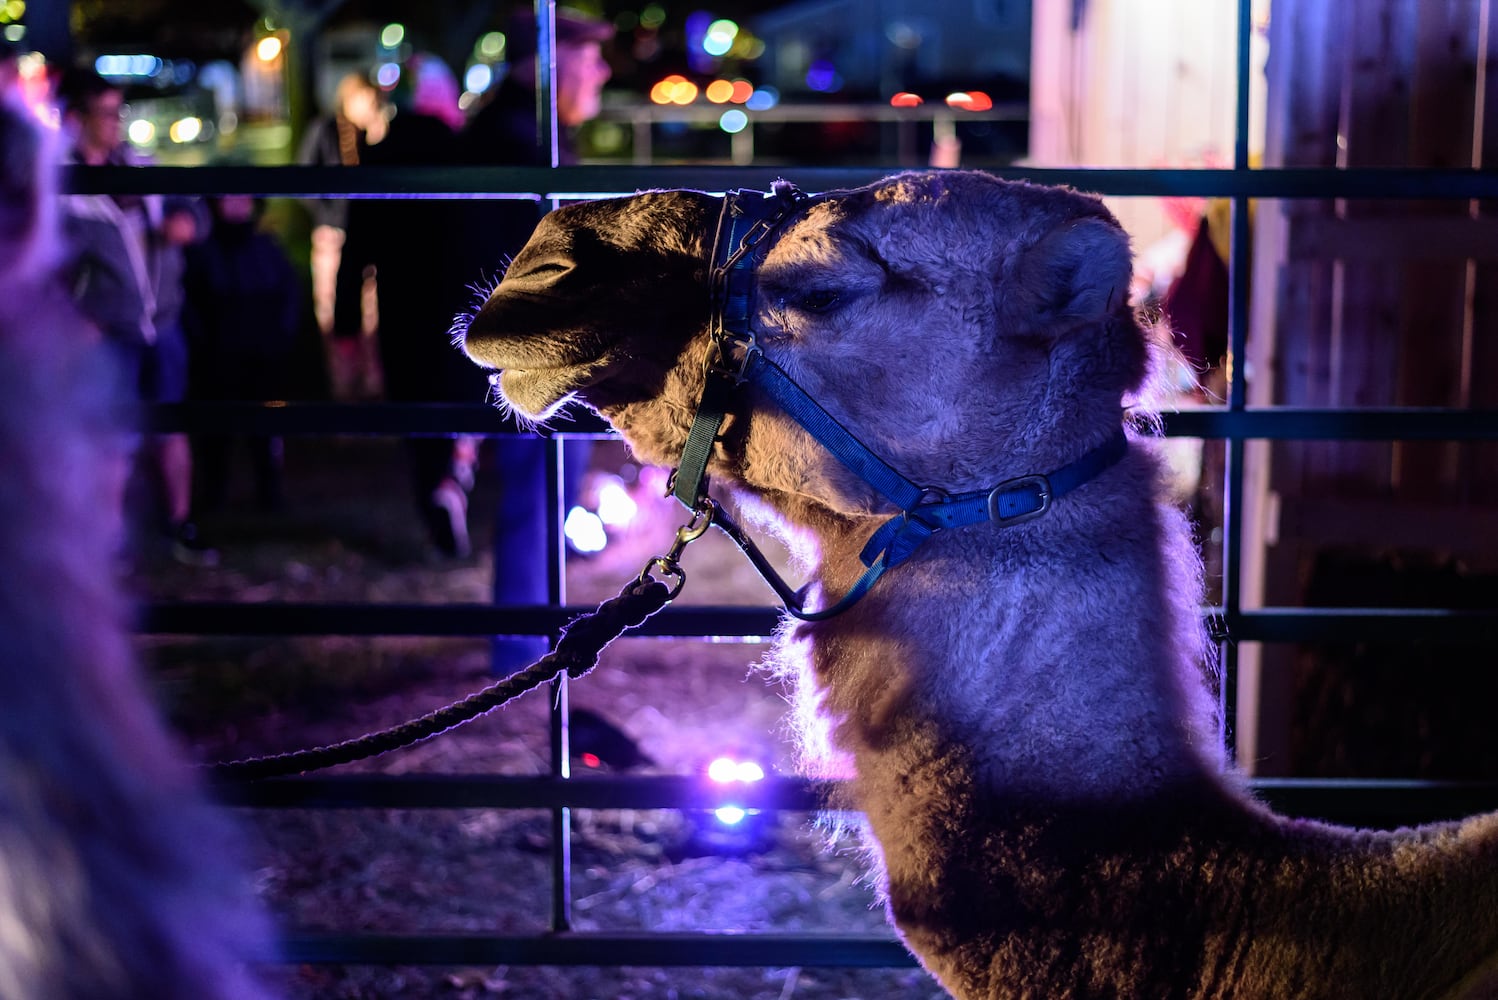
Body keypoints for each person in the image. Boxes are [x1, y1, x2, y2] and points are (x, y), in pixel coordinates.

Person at [454, 7, 614, 668]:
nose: (601, 70)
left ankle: (527, 637)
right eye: (589, 56)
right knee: (538, 494)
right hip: (538, 347)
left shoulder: (516, 130)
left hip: (535, 342)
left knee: (543, 495)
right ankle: (521, 647)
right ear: (551, 62)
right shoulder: (525, 142)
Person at [56, 66, 215, 565]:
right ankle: (110, 542)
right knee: (112, 439)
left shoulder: (143, 167)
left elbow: (195, 211)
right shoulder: (63, 185)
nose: (114, 123)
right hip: (108, 333)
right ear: (77, 117)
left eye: (117, 112)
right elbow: (45, 265)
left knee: (171, 428)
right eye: (105, 113)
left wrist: (188, 222)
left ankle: (179, 525)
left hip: (161, 324)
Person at [331, 60, 485, 559]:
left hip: (400, 306)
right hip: (462, 303)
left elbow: (355, 249)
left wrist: (347, 326)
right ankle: (453, 479)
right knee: (463, 403)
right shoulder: (466, 154)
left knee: (417, 410)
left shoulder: (380, 157)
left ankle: (431, 497)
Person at [183, 195, 304, 513]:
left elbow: (289, 294)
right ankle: (215, 496)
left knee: (264, 429)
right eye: (229, 198)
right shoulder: (203, 252)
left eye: (243, 198)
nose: (236, 204)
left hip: (262, 357)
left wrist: (280, 338)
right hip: (218, 358)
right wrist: (205, 343)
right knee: (215, 435)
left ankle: (270, 495)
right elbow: (190, 302)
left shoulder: (267, 248)